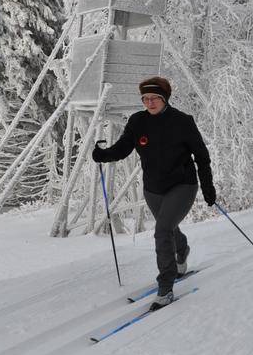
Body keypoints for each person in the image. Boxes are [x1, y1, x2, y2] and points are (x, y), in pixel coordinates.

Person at [92, 76, 216, 312]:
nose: (149, 103)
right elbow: (123, 148)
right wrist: (103, 154)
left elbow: (201, 156)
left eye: (154, 98)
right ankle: (183, 249)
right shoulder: (138, 121)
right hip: (153, 188)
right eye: (145, 99)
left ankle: (166, 287)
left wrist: (208, 186)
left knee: (162, 230)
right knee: (167, 228)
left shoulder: (182, 122)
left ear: (164, 98)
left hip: (182, 185)